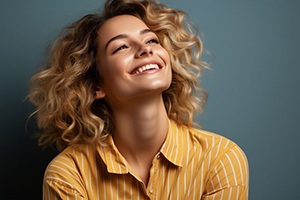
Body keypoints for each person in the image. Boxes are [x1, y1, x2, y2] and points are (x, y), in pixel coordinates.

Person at [28, 0, 249, 199]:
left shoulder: (220, 159)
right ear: (95, 86)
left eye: (151, 40)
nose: (145, 49)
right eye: (121, 46)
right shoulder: (68, 175)